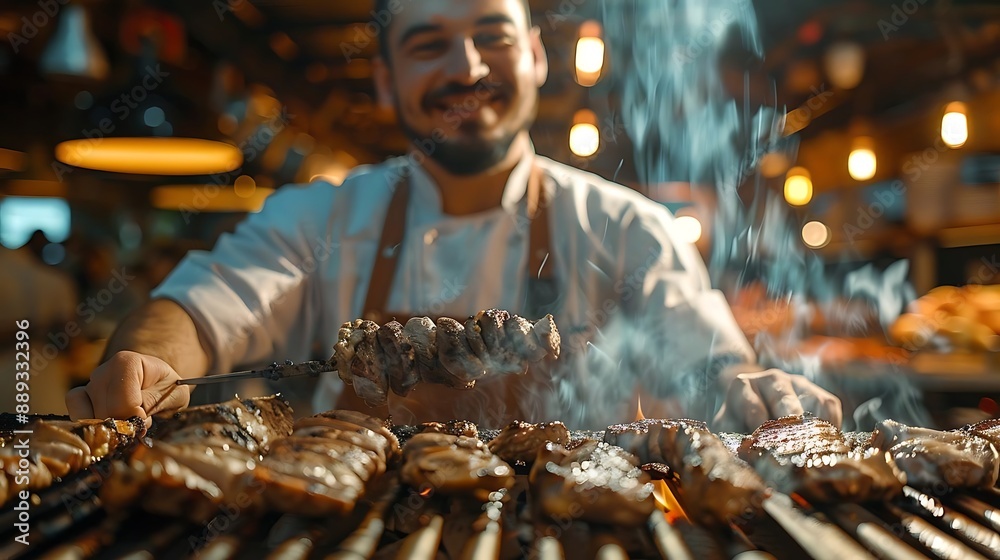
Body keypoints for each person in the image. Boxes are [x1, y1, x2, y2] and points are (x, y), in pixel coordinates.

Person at [66, 0, 842, 431]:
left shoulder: (625, 227)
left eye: (491, 37)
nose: (467, 68)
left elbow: (712, 361)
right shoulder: (319, 218)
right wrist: (144, 361)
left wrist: (753, 387)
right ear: (384, 78)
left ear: (536, 57)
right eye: (429, 43)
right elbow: (198, 314)